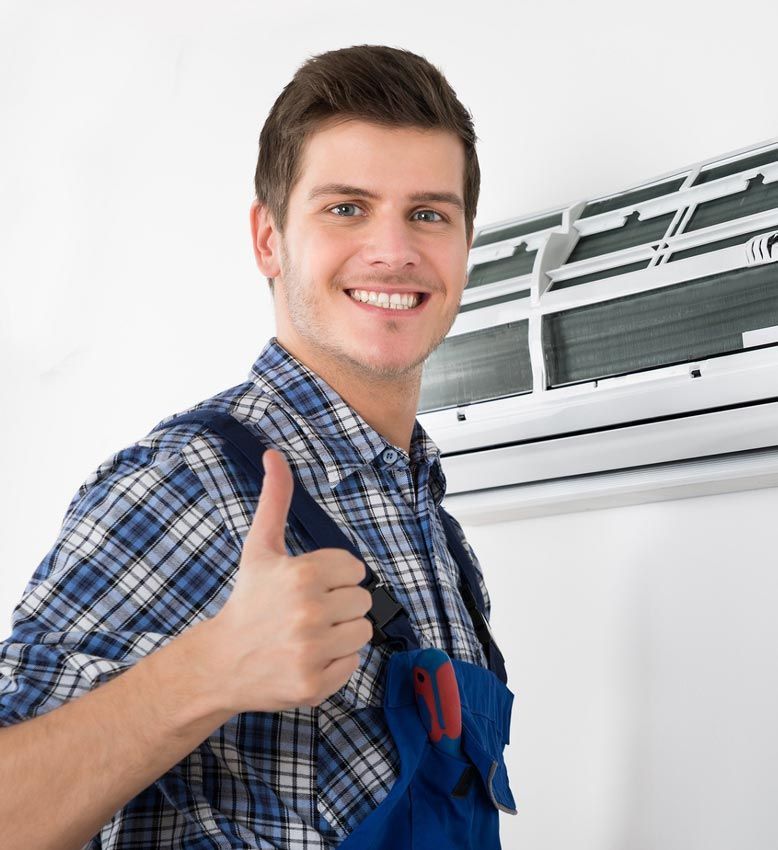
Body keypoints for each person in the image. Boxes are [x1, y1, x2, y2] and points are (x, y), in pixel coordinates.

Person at [0, 44, 515, 849]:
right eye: (346, 208)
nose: (393, 249)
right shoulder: (187, 484)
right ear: (269, 240)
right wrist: (207, 671)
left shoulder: (429, 517)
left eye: (428, 213)